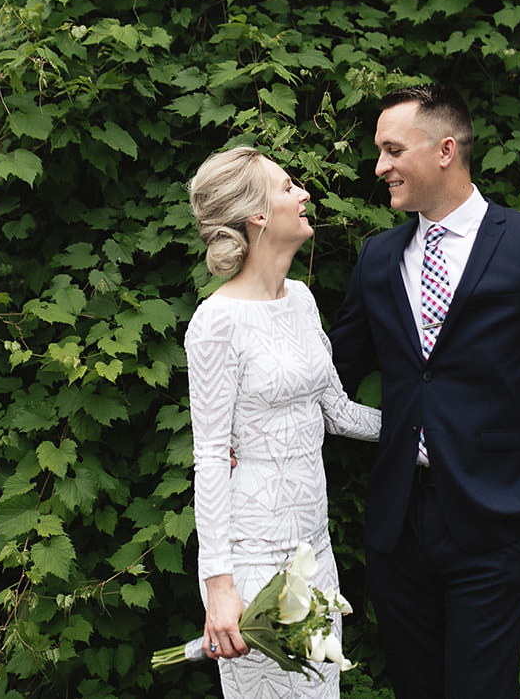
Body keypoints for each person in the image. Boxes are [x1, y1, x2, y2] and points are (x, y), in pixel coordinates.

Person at [330, 84, 520, 699]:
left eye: (391, 150)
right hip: (398, 523)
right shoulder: (377, 258)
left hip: (500, 519)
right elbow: (330, 378)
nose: (379, 167)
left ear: (445, 150)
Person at [183, 146, 382, 698]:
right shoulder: (215, 324)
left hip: (313, 553)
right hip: (252, 562)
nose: (305, 195)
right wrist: (219, 587)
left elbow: (336, 410)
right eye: (289, 186)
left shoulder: (301, 300)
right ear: (258, 215)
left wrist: (432, 438)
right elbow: (209, 458)